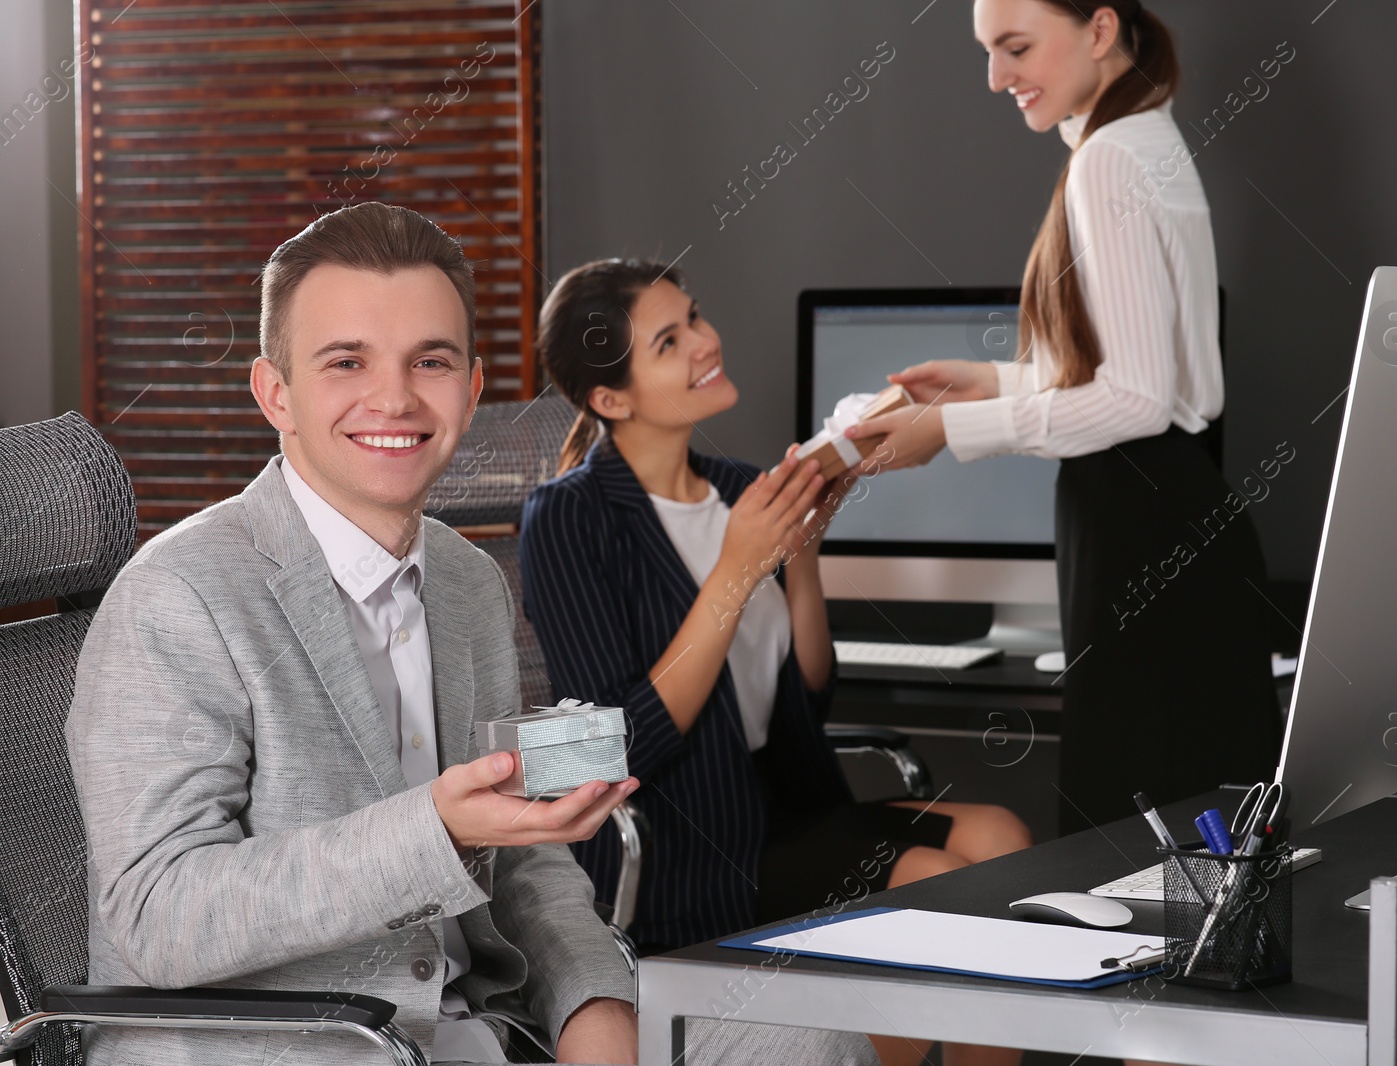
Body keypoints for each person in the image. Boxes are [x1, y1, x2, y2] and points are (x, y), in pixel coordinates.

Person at [65, 202, 876, 1066]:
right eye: (346, 361)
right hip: (294, 1048)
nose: (395, 397)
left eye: (431, 361)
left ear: (472, 388)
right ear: (277, 394)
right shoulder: (176, 595)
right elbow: (157, 918)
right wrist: (438, 832)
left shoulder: (464, 581)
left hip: (480, 1028)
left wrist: (595, 1007)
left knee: (812, 1042)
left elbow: (528, 865)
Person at [520, 258, 1034, 1066]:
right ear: (610, 399)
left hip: (782, 808)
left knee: (1002, 832)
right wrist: (734, 570)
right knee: (938, 884)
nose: (703, 341)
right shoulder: (571, 519)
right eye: (669, 340)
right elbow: (612, 746)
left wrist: (802, 557)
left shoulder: (740, 488)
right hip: (689, 843)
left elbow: (805, 697)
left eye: (694, 316)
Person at [850, 0, 1283, 840]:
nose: (996, 77)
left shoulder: (1109, 160)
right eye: (988, 52)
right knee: (1199, 845)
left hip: (1140, 523)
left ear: (1099, 29)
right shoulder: (1141, 135)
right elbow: (1147, 373)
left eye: (1016, 47)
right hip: (1169, 508)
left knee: (1137, 842)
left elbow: (1138, 400)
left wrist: (950, 433)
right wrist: (991, 381)